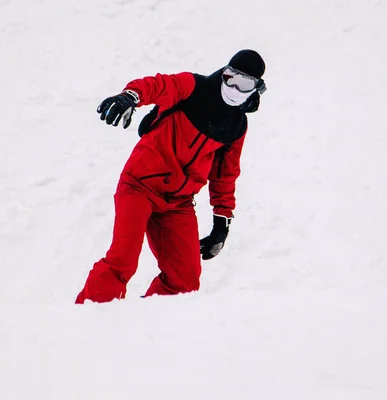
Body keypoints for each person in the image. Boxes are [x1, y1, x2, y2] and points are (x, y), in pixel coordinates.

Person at [75, 49, 267, 304]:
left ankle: (149, 326)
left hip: (178, 203)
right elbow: (158, 85)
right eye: (230, 77)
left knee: (185, 279)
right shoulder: (194, 87)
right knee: (123, 260)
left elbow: (225, 175)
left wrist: (222, 221)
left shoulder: (236, 126)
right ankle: (89, 319)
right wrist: (130, 96)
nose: (233, 86)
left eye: (244, 83)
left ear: (256, 89)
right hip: (139, 185)